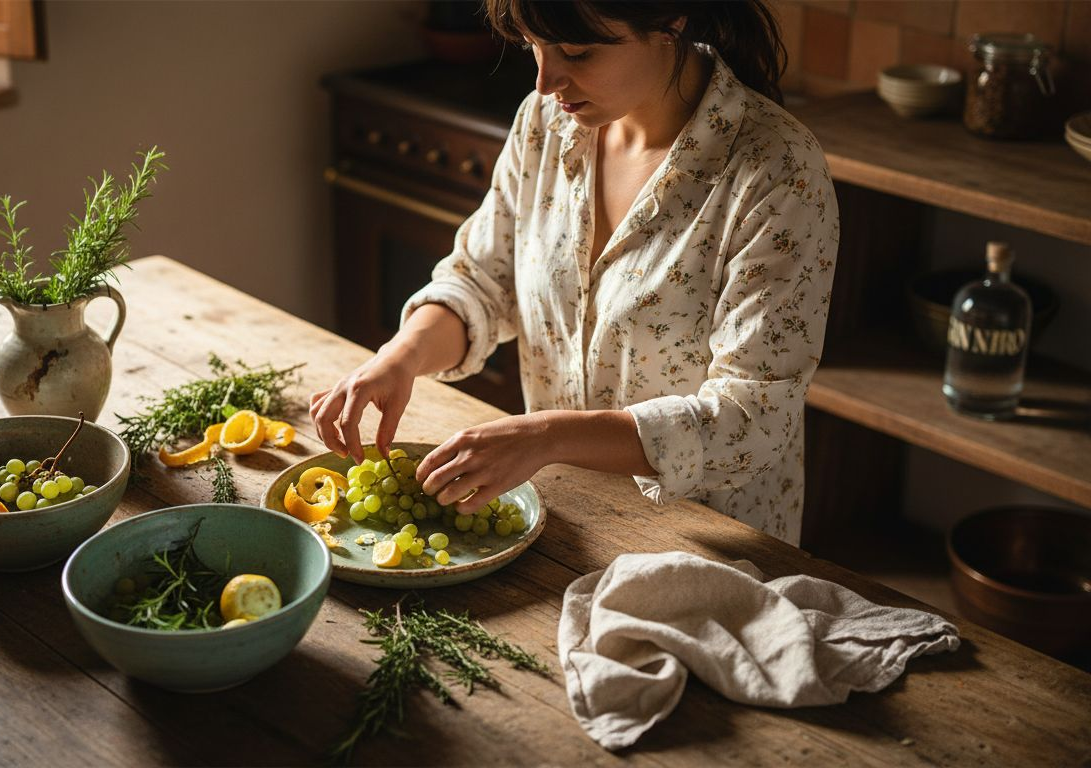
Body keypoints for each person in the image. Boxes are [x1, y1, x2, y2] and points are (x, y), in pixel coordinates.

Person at [310, 0, 839, 545]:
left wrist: (545, 436)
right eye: (531, 47)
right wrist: (402, 357)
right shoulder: (545, 123)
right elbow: (483, 280)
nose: (545, 82)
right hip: (565, 520)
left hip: (713, 543)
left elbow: (752, 419)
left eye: (577, 53)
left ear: (669, 21)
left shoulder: (778, 170)